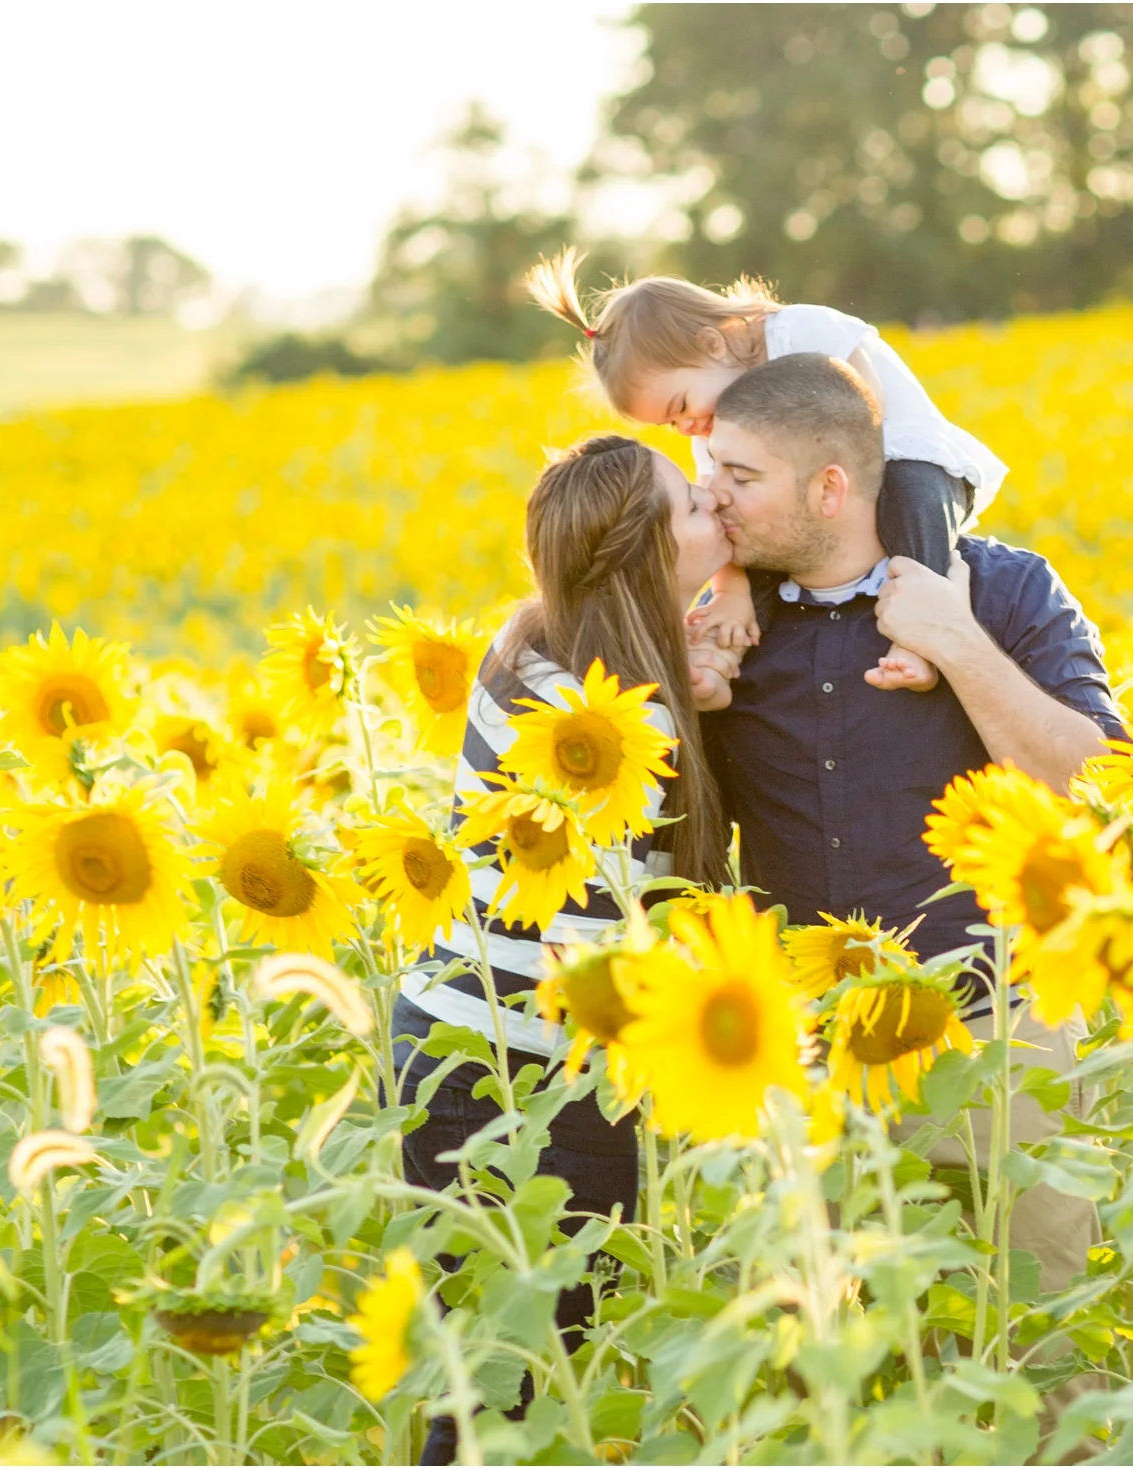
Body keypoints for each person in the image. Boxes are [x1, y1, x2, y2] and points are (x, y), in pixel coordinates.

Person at [697, 352, 1124, 1294]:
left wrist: (957, 642)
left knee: (1044, 1346)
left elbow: (1103, 787)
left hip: (1004, 1039)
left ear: (830, 487)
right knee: (849, 1377)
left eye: (738, 476)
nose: (710, 497)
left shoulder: (1006, 591)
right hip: (818, 1066)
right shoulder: (725, 625)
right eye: (706, 471)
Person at [391, 434, 732, 1466]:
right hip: (529, 1073)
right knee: (527, 1384)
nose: (716, 499)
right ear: (643, 555)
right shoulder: (618, 736)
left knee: (488, 1370)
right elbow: (608, 948)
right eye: (693, 504)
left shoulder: (526, 641)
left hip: (441, 1047)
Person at [526, 247, 1002, 696]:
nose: (687, 427)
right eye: (670, 423)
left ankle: (920, 641)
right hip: (815, 496)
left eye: (681, 405)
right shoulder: (712, 431)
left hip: (892, 452)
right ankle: (718, 661)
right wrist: (730, 593)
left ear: (712, 344)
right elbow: (722, 514)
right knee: (758, 547)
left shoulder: (797, 330)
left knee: (913, 502)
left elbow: (860, 405)